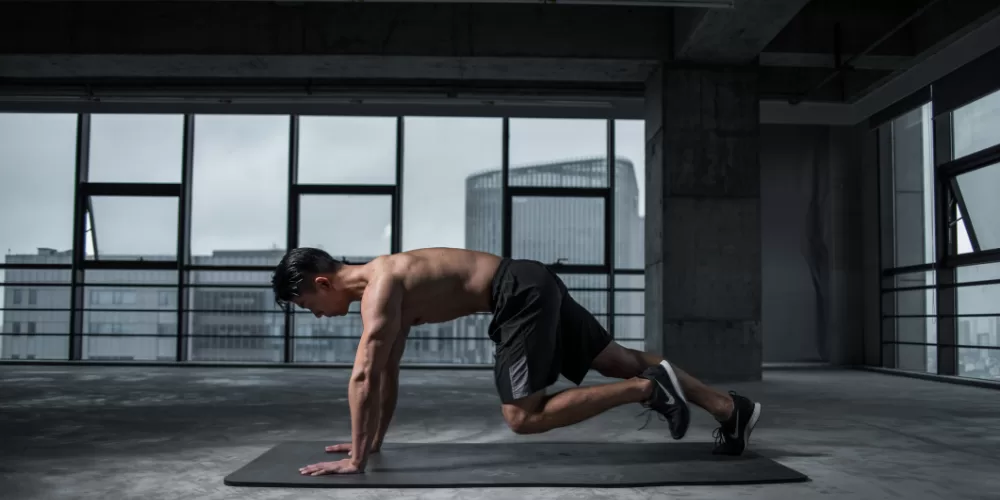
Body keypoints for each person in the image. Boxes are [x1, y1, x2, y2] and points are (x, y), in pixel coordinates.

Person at [270, 247, 762, 476]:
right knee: (619, 359)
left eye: (308, 307)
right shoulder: (386, 282)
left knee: (524, 416)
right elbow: (386, 371)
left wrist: (356, 461)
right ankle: (728, 409)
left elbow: (362, 374)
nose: (316, 316)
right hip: (530, 279)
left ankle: (649, 390)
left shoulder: (380, 288)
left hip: (517, 293)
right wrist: (371, 442)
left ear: (321, 284)